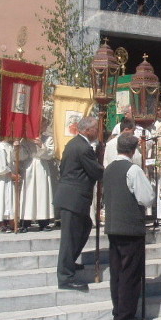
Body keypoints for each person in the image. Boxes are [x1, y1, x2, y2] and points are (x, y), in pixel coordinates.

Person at [104, 133, 154, 320]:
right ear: (133, 151)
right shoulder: (133, 170)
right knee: (130, 273)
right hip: (131, 227)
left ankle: (118, 311)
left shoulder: (109, 168)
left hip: (114, 226)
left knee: (117, 272)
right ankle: (126, 316)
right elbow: (146, 198)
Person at [55, 117, 104, 291]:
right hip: (73, 197)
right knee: (70, 238)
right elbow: (96, 171)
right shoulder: (83, 148)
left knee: (84, 226)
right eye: (95, 129)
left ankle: (69, 262)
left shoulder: (73, 144)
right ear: (87, 130)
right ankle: (65, 277)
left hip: (73, 196)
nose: (97, 132)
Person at [19, 119, 55, 232]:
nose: (44, 127)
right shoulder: (25, 139)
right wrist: (18, 147)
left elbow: (50, 154)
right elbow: (22, 156)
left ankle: (43, 222)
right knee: (28, 194)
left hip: (41, 167)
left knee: (42, 194)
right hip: (29, 167)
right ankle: (25, 222)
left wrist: (41, 145)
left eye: (44, 125)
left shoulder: (48, 139)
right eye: (42, 125)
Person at [0, 140, 27, 233]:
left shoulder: (9, 146)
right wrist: (12, 175)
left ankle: (11, 222)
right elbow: (1, 166)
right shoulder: (0, 148)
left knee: (10, 200)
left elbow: (16, 160)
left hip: (10, 179)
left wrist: (17, 148)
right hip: (3, 179)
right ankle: (1, 224)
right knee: (2, 199)